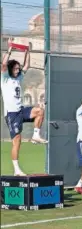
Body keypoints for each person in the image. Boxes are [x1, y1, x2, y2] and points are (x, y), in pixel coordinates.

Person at [1, 38, 47, 176]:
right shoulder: (4, 78)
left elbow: (27, 65)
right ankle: (16, 170)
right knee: (17, 141)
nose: (17, 70)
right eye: (15, 68)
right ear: (10, 69)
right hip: (12, 114)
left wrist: (28, 51)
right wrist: (10, 48)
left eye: (17, 68)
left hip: (21, 110)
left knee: (40, 111)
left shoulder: (18, 78)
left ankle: (36, 136)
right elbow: (3, 64)